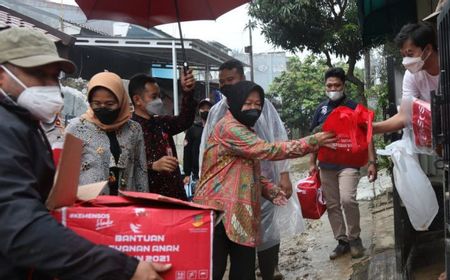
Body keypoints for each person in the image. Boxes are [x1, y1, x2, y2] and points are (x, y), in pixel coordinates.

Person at [0, 26, 169, 280]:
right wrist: (124, 268)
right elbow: (21, 226)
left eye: (54, 77)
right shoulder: (6, 128)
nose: (50, 87)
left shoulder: (24, 123)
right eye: (38, 75)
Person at [194, 81, 336, 280]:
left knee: (243, 271)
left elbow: (246, 170)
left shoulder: (245, 129)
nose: (254, 108)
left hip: (241, 212)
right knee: (213, 272)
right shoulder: (229, 128)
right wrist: (313, 141)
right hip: (218, 213)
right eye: (248, 103)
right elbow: (268, 150)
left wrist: (269, 189)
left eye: (258, 103)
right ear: (234, 103)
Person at [199, 59, 291, 279]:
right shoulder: (219, 113)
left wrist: (283, 175)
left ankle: (270, 269)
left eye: (230, 80)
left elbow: (278, 135)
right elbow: (207, 147)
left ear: (242, 77)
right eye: (222, 82)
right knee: (226, 251)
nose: (225, 86)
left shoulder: (263, 105)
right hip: (227, 192)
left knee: (265, 230)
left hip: (260, 179)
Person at [309, 67, 378, 260]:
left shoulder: (355, 107)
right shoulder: (321, 110)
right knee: (332, 204)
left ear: (344, 86)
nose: (333, 88)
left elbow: (368, 136)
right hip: (326, 165)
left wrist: (372, 162)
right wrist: (311, 163)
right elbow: (314, 139)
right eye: (329, 85)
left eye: (336, 85)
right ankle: (342, 241)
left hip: (349, 164)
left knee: (347, 199)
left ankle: (355, 238)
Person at [66, 72, 148, 195]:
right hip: (91, 207)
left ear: (121, 101)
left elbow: (140, 170)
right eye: (96, 103)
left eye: (110, 104)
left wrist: (143, 204)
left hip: (126, 205)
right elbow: (66, 173)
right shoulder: (76, 128)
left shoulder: (133, 129)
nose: (103, 108)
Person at [129, 72, 197, 200]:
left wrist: (188, 92)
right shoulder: (129, 129)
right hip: (150, 200)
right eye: (154, 97)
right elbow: (127, 165)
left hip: (175, 195)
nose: (159, 101)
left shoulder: (161, 122)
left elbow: (185, 120)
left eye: (159, 96)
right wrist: (152, 166)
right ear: (137, 99)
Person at [373, 22, 439, 134]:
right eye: (403, 56)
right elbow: (404, 116)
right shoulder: (412, 75)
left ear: (427, 49)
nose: (406, 61)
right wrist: (372, 128)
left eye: (410, 54)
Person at [183, 98, 212, 199]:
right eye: (203, 108)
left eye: (208, 108)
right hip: (196, 174)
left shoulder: (216, 128)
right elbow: (187, 152)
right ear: (199, 111)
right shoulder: (193, 129)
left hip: (213, 172)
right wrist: (187, 174)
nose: (205, 111)